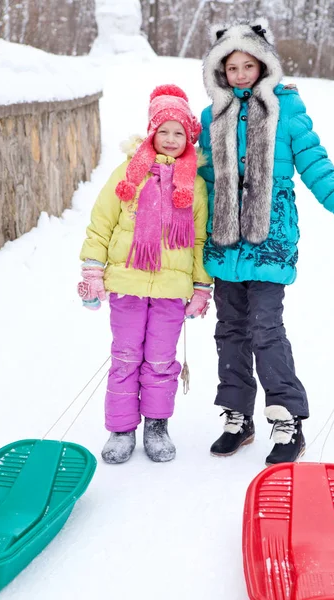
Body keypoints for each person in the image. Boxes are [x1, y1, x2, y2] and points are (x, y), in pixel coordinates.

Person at [198, 18, 334, 465]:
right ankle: (237, 416)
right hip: (224, 246)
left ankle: (287, 420)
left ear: (265, 66)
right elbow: (198, 181)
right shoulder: (211, 117)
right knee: (229, 331)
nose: (241, 73)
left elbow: (318, 170)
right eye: (232, 67)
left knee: (265, 330)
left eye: (249, 64)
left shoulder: (287, 111)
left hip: (270, 242)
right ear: (220, 72)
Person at [78, 85, 213, 464]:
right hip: (126, 284)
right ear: (151, 132)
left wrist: (202, 286)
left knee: (160, 359)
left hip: (172, 289)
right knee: (125, 357)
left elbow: (202, 238)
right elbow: (102, 221)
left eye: (179, 133)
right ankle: (121, 428)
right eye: (164, 131)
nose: (170, 139)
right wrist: (93, 268)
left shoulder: (197, 185)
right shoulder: (128, 174)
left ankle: (156, 424)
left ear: (189, 138)